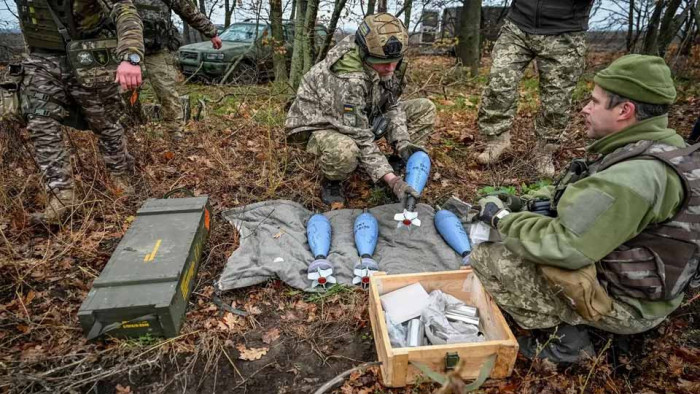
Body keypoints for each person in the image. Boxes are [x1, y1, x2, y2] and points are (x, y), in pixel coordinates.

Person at [471, 55, 699, 363]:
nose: (585, 109)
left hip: (631, 304)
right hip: (645, 283)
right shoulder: (657, 148)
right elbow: (584, 192)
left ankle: (567, 347)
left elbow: (563, 246)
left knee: (488, 257)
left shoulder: (634, 177)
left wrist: (501, 219)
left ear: (624, 110)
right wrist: (525, 204)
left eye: (595, 102)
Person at [285, 13, 436, 205]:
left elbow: (392, 104)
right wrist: (392, 182)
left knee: (424, 108)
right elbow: (360, 135)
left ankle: (397, 162)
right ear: (365, 54)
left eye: (395, 61)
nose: (390, 68)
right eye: (382, 62)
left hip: (361, 113)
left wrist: (403, 144)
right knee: (345, 151)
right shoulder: (347, 79)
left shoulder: (389, 63)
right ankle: (332, 180)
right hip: (318, 124)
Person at [17, 0, 145, 223]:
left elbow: (125, 10)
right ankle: (62, 195)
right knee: (40, 121)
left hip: (89, 55)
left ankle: (121, 179)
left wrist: (130, 56)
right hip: (42, 60)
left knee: (105, 123)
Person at [476, 0, 595, 177]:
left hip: (564, 31)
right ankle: (497, 139)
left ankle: (545, 150)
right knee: (499, 81)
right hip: (518, 24)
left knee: (557, 99)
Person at [134, 0, 222, 138]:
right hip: (126, 49)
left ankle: (175, 133)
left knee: (166, 92)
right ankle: (127, 131)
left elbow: (189, 10)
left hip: (157, 50)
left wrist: (212, 32)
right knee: (122, 93)